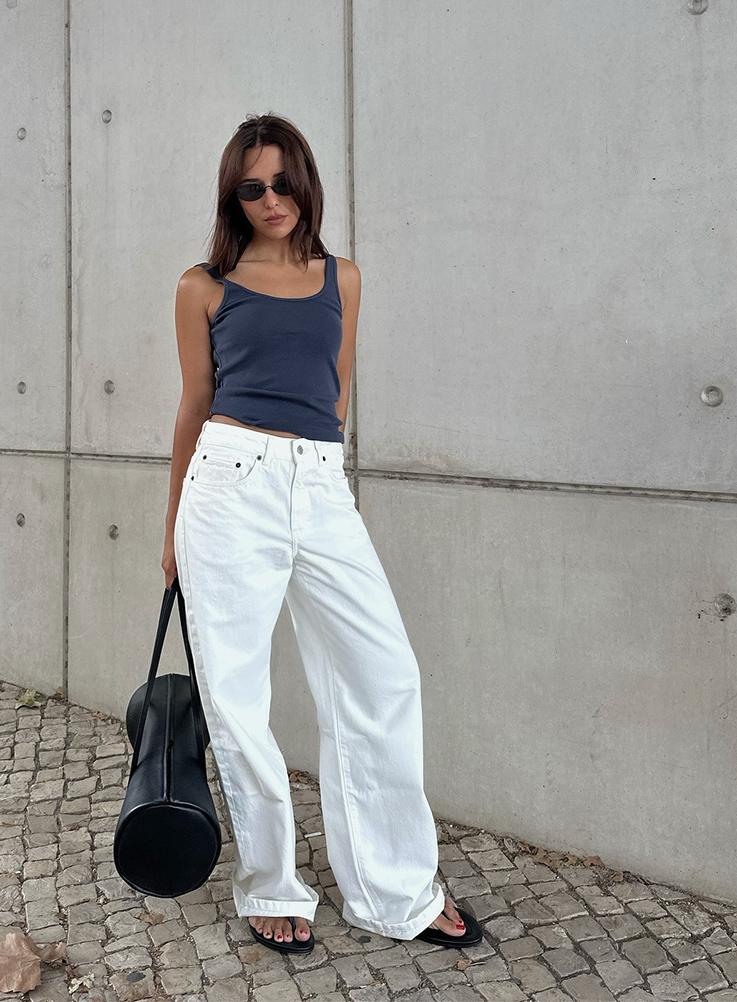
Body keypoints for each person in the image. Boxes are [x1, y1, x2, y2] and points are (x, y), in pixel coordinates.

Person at [162, 113, 482, 955]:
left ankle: (395, 890)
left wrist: (326, 495)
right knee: (237, 695)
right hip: (227, 485)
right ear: (235, 196)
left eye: (283, 181)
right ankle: (271, 883)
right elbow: (194, 406)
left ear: (306, 180)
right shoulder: (205, 283)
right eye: (252, 187)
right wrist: (172, 531)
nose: (272, 200)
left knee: (384, 676)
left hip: (318, 481)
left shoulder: (343, 278)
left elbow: (331, 402)